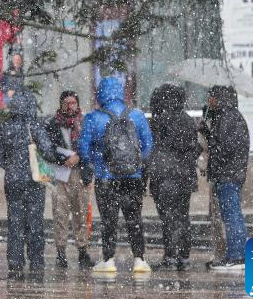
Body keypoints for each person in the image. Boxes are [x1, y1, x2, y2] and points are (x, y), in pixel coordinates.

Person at [79, 76, 154, 275]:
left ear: (100, 93)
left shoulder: (93, 118)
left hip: (106, 177)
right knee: (134, 219)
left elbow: (83, 149)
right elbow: (148, 146)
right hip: (133, 177)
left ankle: (109, 260)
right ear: (121, 92)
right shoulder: (137, 116)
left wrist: (96, 164)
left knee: (108, 220)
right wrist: (136, 164)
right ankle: (139, 259)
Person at [0, 90, 56, 277]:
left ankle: (15, 262)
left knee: (15, 223)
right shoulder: (36, 126)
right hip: (34, 181)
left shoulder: (6, 127)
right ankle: (36, 261)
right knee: (35, 222)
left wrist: (12, 167)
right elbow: (47, 151)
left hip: (13, 181)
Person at [147, 83, 201, 271]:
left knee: (168, 217)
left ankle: (170, 256)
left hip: (165, 177)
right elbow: (193, 149)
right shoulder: (187, 120)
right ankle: (184, 256)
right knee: (182, 216)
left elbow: (154, 150)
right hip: (184, 177)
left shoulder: (159, 121)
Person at [200, 84, 250, 271]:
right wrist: (207, 130)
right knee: (230, 214)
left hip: (228, 174)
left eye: (211, 97)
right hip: (227, 173)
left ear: (219, 99)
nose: (208, 101)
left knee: (232, 215)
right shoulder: (227, 116)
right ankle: (234, 254)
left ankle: (237, 256)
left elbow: (224, 147)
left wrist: (208, 136)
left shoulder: (229, 118)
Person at [45, 90, 95, 269]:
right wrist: (61, 159)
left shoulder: (84, 122)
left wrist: (80, 158)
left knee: (81, 213)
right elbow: (47, 148)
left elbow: (92, 146)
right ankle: (61, 252)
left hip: (80, 174)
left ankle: (83, 250)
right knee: (60, 214)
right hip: (60, 174)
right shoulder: (52, 124)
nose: (70, 106)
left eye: (73, 102)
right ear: (61, 104)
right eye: (66, 102)